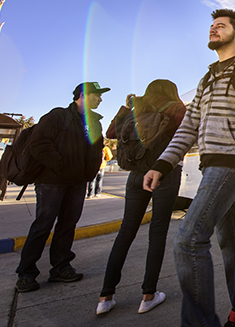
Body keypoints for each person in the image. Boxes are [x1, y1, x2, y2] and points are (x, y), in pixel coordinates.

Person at [143, 9, 235, 327]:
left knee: (188, 240)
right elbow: (188, 127)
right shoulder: (207, 78)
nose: (213, 29)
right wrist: (162, 164)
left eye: (220, 26)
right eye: (211, 26)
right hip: (213, 165)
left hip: (234, 160)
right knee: (234, 241)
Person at [96, 80, 187, 315]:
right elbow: (188, 134)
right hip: (164, 174)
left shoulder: (138, 109)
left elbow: (111, 133)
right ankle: (148, 295)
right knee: (157, 232)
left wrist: (127, 108)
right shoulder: (175, 108)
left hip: (136, 176)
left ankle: (105, 297)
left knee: (126, 231)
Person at [15, 82, 109, 293]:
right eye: (97, 95)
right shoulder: (58, 116)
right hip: (52, 182)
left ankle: (60, 268)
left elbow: (96, 149)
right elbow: (38, 144)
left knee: (68, 225)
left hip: (77, 183)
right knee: (43, 225)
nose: (101, 100)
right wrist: (60, 165)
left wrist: (89, 173)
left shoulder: (94, 122)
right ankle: (26, 273)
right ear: (83, 95)